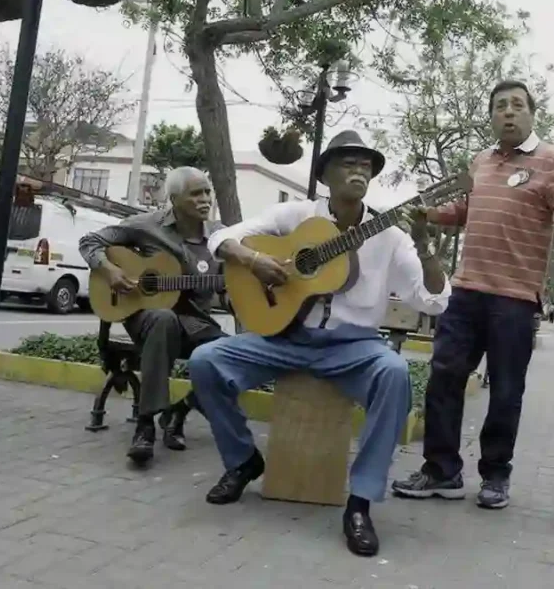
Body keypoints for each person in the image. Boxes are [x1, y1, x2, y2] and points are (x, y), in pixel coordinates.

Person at [188, 130, 449, 557]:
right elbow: (221, 238)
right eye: (348, 163)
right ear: (325, 174)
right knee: (205, 361)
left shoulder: (391, 234)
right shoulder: (296, 216)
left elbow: (433, 301)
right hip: (285, 336)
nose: (359, 170)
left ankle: (361, 502)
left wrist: (425, 249)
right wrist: (255, 260)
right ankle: (242, 460)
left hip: (354, 348)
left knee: (395, 372)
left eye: (366, 165)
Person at [391, 80, 554, 509]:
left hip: (514, 298)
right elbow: (465, 211)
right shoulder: (481, 162)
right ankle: (441, 471)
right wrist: (429, 213)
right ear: (491, 116)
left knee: (507, 390)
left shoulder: (550, 162)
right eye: (499, 107)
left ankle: (495, 476)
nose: (507, 112)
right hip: (467, 291)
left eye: (516, 105)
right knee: (444, 378)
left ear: (531, 113)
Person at [78, 167, 227, 466]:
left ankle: (180, 410)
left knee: (236, 354)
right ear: (174, 199)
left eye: (207, 192)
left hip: (194, 321)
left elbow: (225, 289)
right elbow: (89, 242)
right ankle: (145, 425)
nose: (205, 199)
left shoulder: (218, 238)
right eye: (196, 193)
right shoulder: (147, 225)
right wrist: (111, 270)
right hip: (145, 317)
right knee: (162, 319)